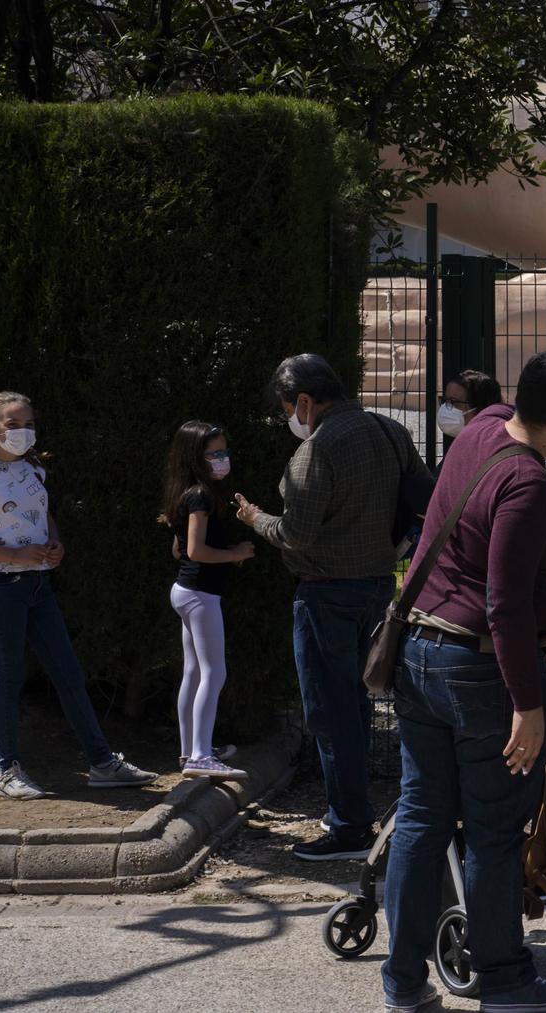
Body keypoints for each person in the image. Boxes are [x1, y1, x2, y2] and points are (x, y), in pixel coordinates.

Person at [381, 349, 546, 1013]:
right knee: (494, 831)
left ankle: (404, 981)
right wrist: (528, 705)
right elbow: (504, 602)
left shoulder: (478, 432)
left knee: (420, 816)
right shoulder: (528, 486)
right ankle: (506, 981)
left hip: (418, 650)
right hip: (479, 669)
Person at [234, 353, 428, 862]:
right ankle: (355, 808)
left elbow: (294, 534)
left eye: (287, 410)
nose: (289, 420)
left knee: (331, 712)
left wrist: (256, 518)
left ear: (304, 401)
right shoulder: (390, 431)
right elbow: (421, 496)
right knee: (359, 704)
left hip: (325, 594)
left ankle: (349, 827)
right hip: (377, 589)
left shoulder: (314, 452)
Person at [0, 392, 157, 799]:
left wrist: (55, 543)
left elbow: (45, 514)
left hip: (38, 585)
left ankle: (102, 762)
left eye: (29, 424)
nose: (22, 432)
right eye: (12, 424)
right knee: (8, 677)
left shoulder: (34, 468)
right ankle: (7, 771)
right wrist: (13, 554)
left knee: (69, 674)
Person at [159, 421, 254, 781]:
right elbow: (196, 551)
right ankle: (200, 755)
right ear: (195, 457)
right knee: (214, 672)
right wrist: (234, 552)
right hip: (200, 595)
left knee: (194, 672)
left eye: (224, 452)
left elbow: (178, 550)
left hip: (186, 592)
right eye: (214, 453)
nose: (222, 459)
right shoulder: (199, 496)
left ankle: (191, 751)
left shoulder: (185, 494)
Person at [438, 369, 503, 442]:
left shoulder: (498, 445)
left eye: (454, 402)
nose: (447, 408)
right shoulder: (462, 444)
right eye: (446, 400)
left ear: (480, 407)